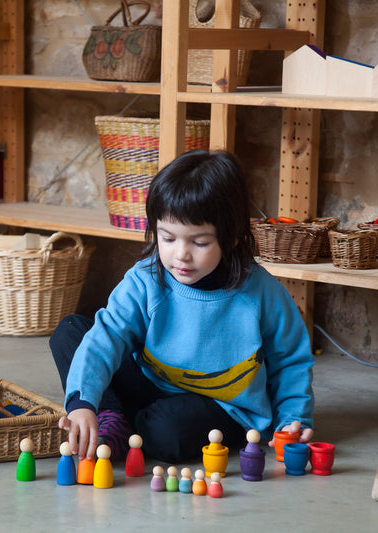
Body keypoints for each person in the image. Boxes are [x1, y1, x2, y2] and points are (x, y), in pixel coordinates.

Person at [50, 149, 315, 463]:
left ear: (230, 239)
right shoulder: (145, 279)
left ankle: (128, 421)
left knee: (166, 432)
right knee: (71, 332)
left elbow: (290, 362)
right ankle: (113, 418)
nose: (181, 255)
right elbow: (107, 336)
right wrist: (83, 404)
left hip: (218, 406)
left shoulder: (262, 293)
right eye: (168, 238)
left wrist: (292, 420)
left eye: (199, 242)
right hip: (150, 383)